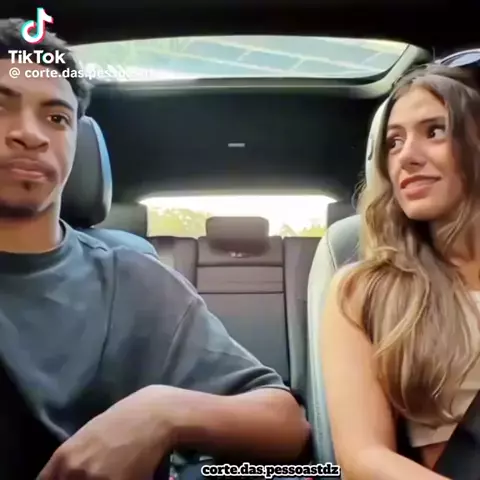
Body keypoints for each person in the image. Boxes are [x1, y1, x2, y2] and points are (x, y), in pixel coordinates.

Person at [0, 18, 310, 480]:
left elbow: (287, 425)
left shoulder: (135, 281)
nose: (31, 133)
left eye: (57, 118)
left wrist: (163, 412)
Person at [321, 63, 480, 479]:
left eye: (435, 131)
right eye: (394, 142)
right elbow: (362, 458)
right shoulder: (364, 291)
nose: (407, 156)